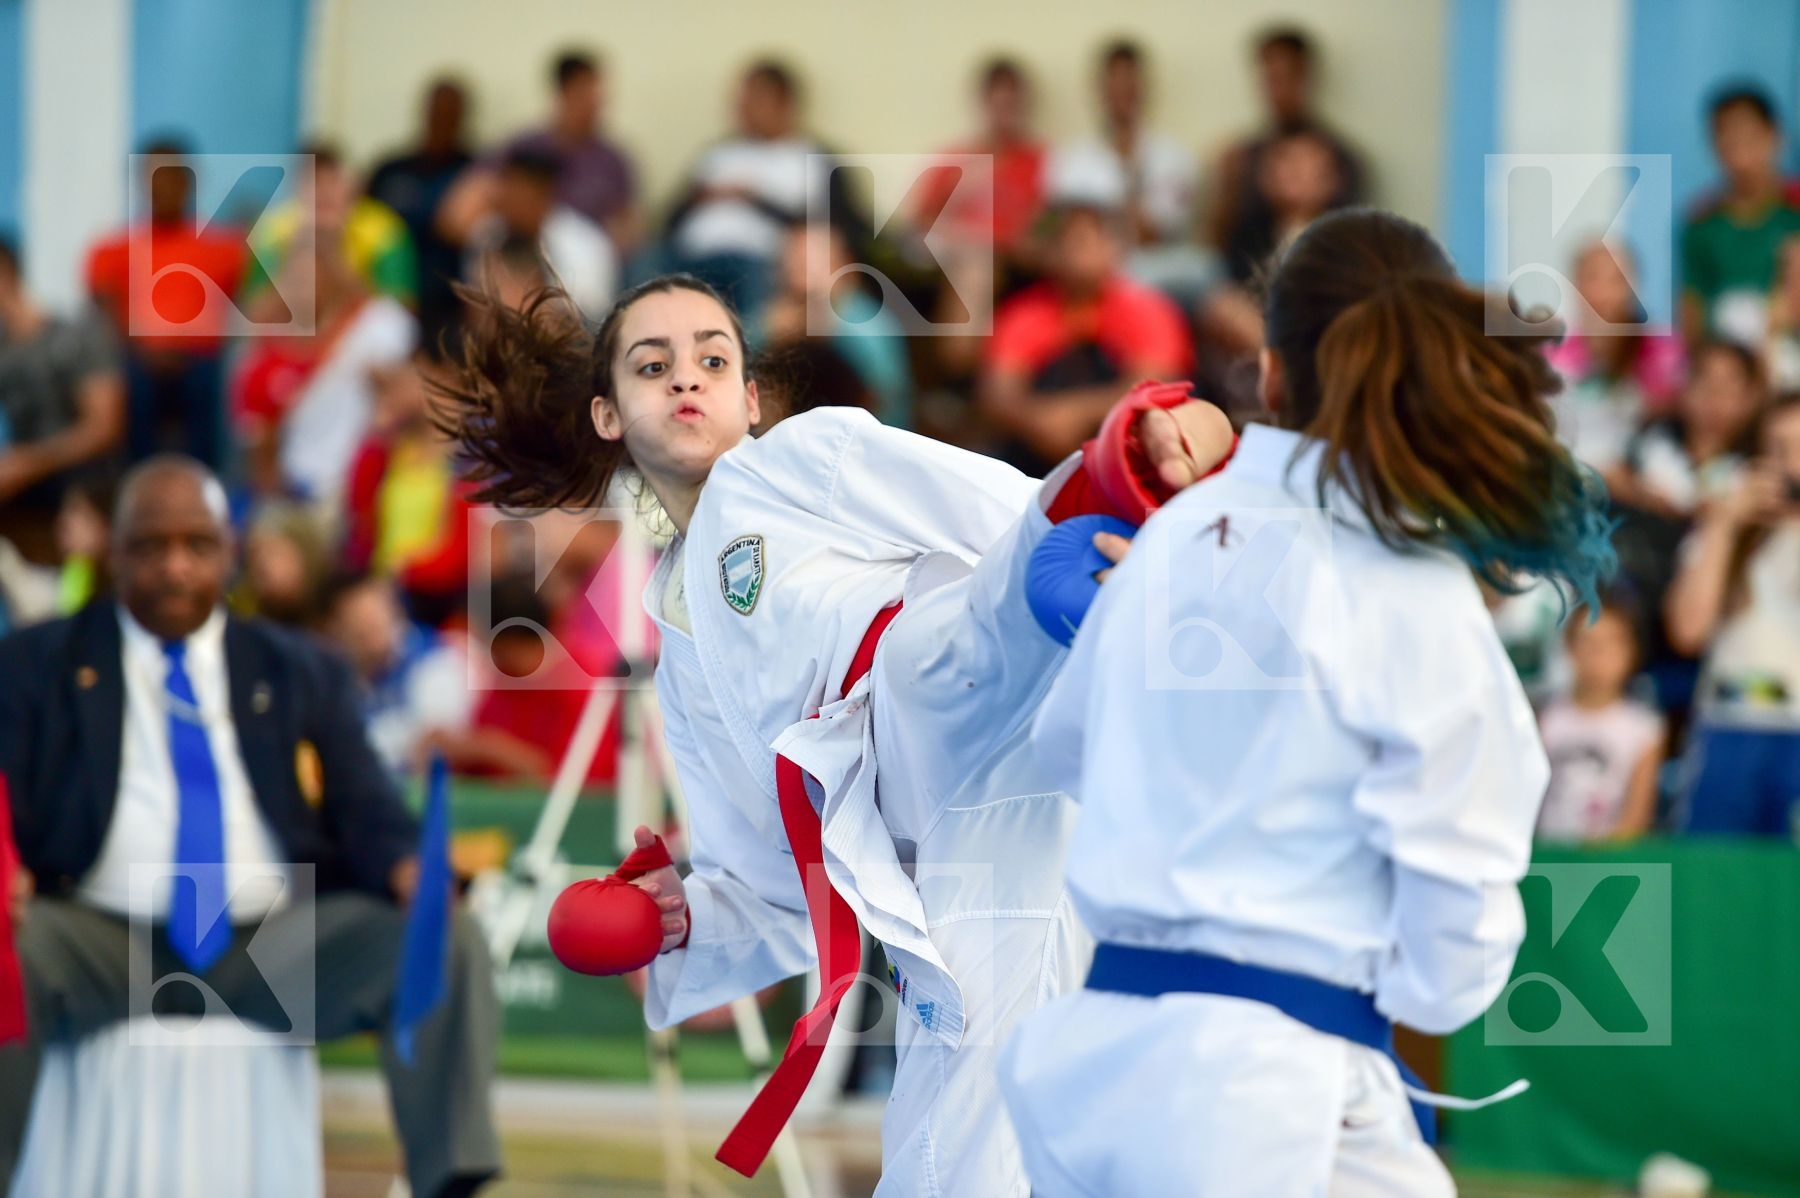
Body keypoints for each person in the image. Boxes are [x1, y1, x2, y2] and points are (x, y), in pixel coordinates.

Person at [438, 272, 1232, 1191]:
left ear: (752, 400)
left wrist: (1126, 469)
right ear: (607, 414)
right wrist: (682, 917)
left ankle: (1096, 550)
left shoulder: (801, 459)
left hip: (943, 688)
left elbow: (1001, 506)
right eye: (653, 366)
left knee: (933, 655)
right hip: (951, 853)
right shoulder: (675, 645)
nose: (687, 377)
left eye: (712, 360)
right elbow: (771, 881)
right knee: (950, 1160)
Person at [999, 208, 1615, 1195]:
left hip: (1093, 1058)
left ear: (1270, 372)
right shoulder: (1410, 587)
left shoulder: (1174, 537)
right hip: (1266, 1088)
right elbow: (1455, 937)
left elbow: (1065, 749)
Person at [0, 456, 500, 1198]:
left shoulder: (300, 668)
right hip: (95, 940)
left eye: (197, 545)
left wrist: (406, 867)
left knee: (444, 935)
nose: (175, 566)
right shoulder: (37, 661)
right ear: (115, 551)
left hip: (270, 949)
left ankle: (449, 1179)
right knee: (5, 951)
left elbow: (366, 801)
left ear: (229, 552)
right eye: (151, 545)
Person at [1665, 392, 1800, 835]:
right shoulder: (1724, 532)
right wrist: (1723, 524)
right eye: (1780, 447)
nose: (1793, 464)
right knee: (1713, 870)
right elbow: (1688, 632)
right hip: (1730, 728)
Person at [981, 200, 1195, 475]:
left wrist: (1074, 413)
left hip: (1122, 452)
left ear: (1114, 248)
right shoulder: (1024, 312)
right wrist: (1037, 420)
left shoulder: (1148, 309)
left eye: (1085, 241)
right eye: (1065, 242)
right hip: (1034, 450)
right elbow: (997, 393)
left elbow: (1155, 385)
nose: (1075, 253)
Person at [85, 138, 244, 470]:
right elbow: (104, 313)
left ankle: (202, 483)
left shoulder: (225, 248)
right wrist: (147, 348)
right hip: (137, 360)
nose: (161, 186)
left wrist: (182, 345)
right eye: (152, 176)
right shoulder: (112, 251)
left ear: (188, 181)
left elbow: (235, 310)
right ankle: (138, 484)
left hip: (200, 361)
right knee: (125, 382)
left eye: (170, 175)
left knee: (211, 378)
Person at [663, 60, 861, 316]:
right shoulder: (717, 155)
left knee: (754, 290)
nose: (744, 109)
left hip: (763, 262)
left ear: (786, 104)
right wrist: (700, 199)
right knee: (650, 265)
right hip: (690, 256)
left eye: (756, 99)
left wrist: (753, 199)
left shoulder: (813, 159)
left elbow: (829, 225)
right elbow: (670, 218)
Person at [1048, 39, 1212, 304]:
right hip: (1087, 278)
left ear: (1143, 88)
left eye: (1129, 82)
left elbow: (1155, 233)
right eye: (1114, 82)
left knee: (1205, 269)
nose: (1122, 91)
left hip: (1160, 275)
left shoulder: (1175, 158)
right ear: (1100, 90)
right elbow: (1062, 234)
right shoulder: (1071, 161)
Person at [0, 234, 125, 565]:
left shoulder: (75, 337)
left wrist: (28, 463)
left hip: (80, 482)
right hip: (26, 486)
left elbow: (104, 428)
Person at [1208, 26, 1365, 275]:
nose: (1276, 90)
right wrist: (1229, 192)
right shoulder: (1243, 158)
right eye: (1270, 78)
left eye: (1285, 77)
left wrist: (1305, 208)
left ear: (1306, 77)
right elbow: (1218, 249)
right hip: (1243, 286)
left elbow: (1354, 246)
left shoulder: (1340, 159)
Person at [1547, 241, 1686, 474]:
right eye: (1593, 278)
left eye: (1617, 280)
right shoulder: (1551, 351)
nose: (1604, 293)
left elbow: (1677, 411)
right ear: (1575, 285)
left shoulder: (1661, 348)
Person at [317, 569, 470, 779]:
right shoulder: (334, 683)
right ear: (333, 629)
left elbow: (434, 742)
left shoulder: (436, 659)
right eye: (358, 621)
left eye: (375, 614)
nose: (369, 626)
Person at [485, 49, 639, 255]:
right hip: (524, 253)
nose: (594, 103)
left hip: (588, 257)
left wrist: (602, 251)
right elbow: (467, 209)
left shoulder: (613, 160)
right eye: (584, 93)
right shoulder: (523, 147)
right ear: (562, 92)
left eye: (596, 95)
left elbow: (629, 225)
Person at [1536, 596, 1664, 842]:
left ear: (1632, 651)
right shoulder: (1544, 720)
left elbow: (1636, 818)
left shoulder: (1644, 730)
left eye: (1611, 642)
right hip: (1547, 856)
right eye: (1587, 641)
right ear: (1568, 647)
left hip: (1611, 861)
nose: (1598, 654)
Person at [1680, 87, 1800, 348]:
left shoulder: (1794, 212)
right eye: (1727, 140)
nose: (1739, 154)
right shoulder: (1701, 223)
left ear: (1775, 136)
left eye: (1748, 137)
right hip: (1723, 362)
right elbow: (1691, 309)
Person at [440, 147, 616, 321]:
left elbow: (592, 314)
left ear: (544, 193)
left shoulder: (585, 243)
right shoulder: (487, 234)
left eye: (521, 192)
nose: (509, 199)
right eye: (509, 188)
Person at [368, 77, 477, 336]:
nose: (443, 119)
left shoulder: (473, 174)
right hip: (387, 305)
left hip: (453, 309)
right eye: (437, 110)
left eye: (451, 113)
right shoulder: (390, 171)